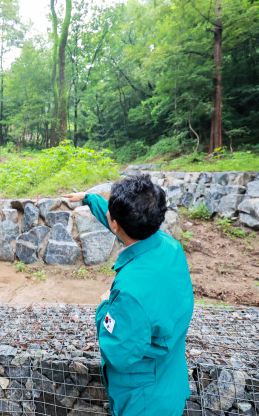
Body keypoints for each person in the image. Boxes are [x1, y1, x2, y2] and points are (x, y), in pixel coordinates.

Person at [64, 175, 194, 416]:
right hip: (170, 381)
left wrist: (105, 306)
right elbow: (122, 221)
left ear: (115, 224)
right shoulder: (170, 246)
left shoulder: (130, 293)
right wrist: (89, 198)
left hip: (143, 401)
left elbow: (119, 354)